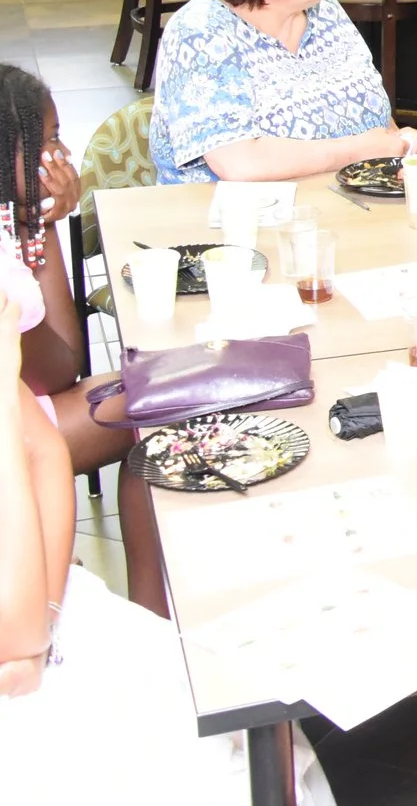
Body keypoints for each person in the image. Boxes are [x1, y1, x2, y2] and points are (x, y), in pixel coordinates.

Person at [0, 293, 255, 796]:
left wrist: (51, 610)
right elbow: (16, 633)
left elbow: (46, 453)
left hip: (31, 604)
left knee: (228, 704)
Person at [1, 67, 162, 616]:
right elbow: (60, 367)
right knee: (161, 405)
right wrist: (40, 223)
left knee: (154, 411)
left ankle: (151, 612)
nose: (63, 153)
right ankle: (152, 616)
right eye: (48, 140)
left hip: (20, 408)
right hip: (12, 429)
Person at [149, 0, 417, 184]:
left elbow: (374, 115)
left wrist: (400, 142)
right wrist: (358, 150)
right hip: (229, 221)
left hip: (334, 210)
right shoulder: (200, 34)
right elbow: (239, 163)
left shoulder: (325, 10)